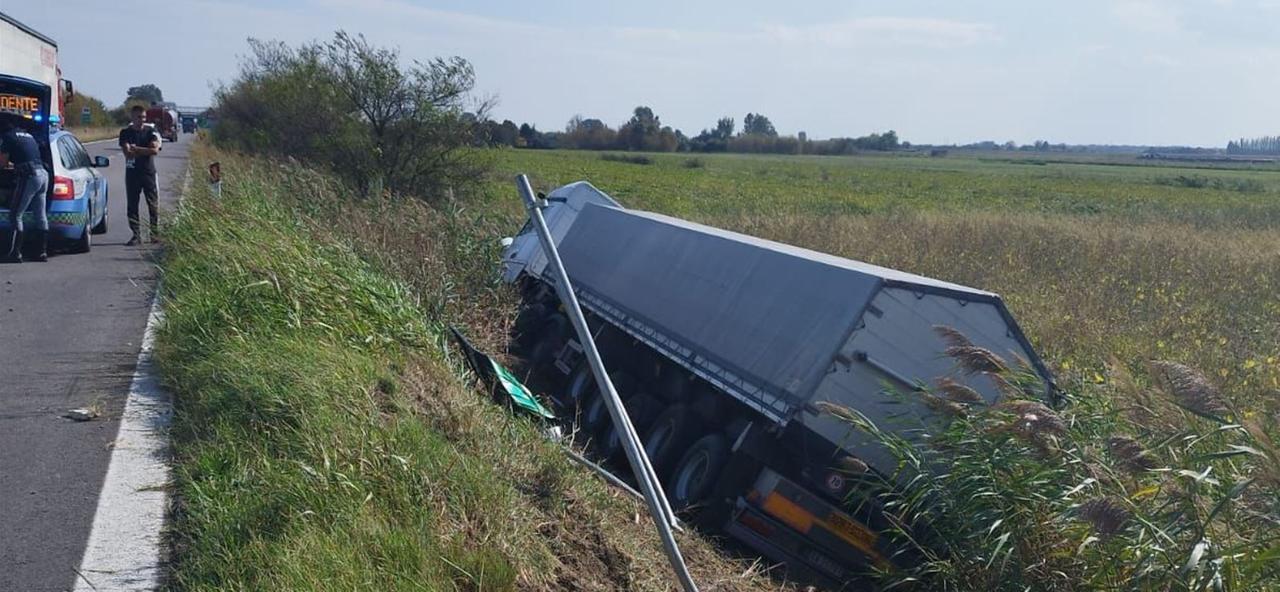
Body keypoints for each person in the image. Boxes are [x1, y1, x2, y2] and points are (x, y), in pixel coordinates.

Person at [1, 119, 50, 263]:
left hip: (29, 176)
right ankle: (41, 252)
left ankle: (15, 253)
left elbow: (2, 163)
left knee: (15, 215)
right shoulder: (28, 135)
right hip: (43, 174)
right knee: (40, 215)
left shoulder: (8, 137)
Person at [118, 105, 161, 245]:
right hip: (132, 174)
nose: (142, 120)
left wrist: (137, 149)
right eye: (138, 117)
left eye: (143, 117)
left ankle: (154, 233)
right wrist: (144, 150)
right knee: (132, 205)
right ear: (132, 117)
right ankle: (136, 235)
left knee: (153, 204)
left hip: (148, 173)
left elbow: (154, 150)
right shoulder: (125, 133)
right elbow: (128, 153)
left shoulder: (151, 132)